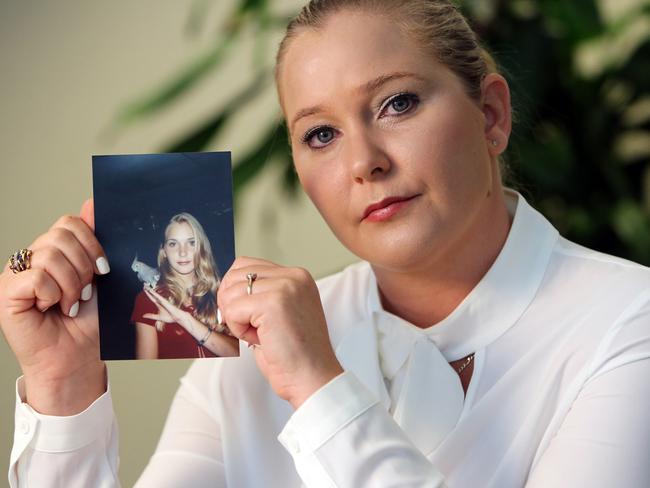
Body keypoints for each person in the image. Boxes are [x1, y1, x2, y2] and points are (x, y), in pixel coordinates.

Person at [1, 0, 649, 486]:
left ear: (491, 116)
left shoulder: (629, 322)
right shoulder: (240, 359)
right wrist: (63, 393)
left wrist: (319, 388)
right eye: (320, 135)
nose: (364, 162)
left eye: (397, 103)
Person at [130, 212, 238, 359]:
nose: (183, 252)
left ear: (201, 247)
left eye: (191, 242)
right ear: (164, 252)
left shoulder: (222, 293)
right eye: (173, 244)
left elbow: (241, 354)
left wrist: (185, 320)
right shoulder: (149, 300)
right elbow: (145, 371)